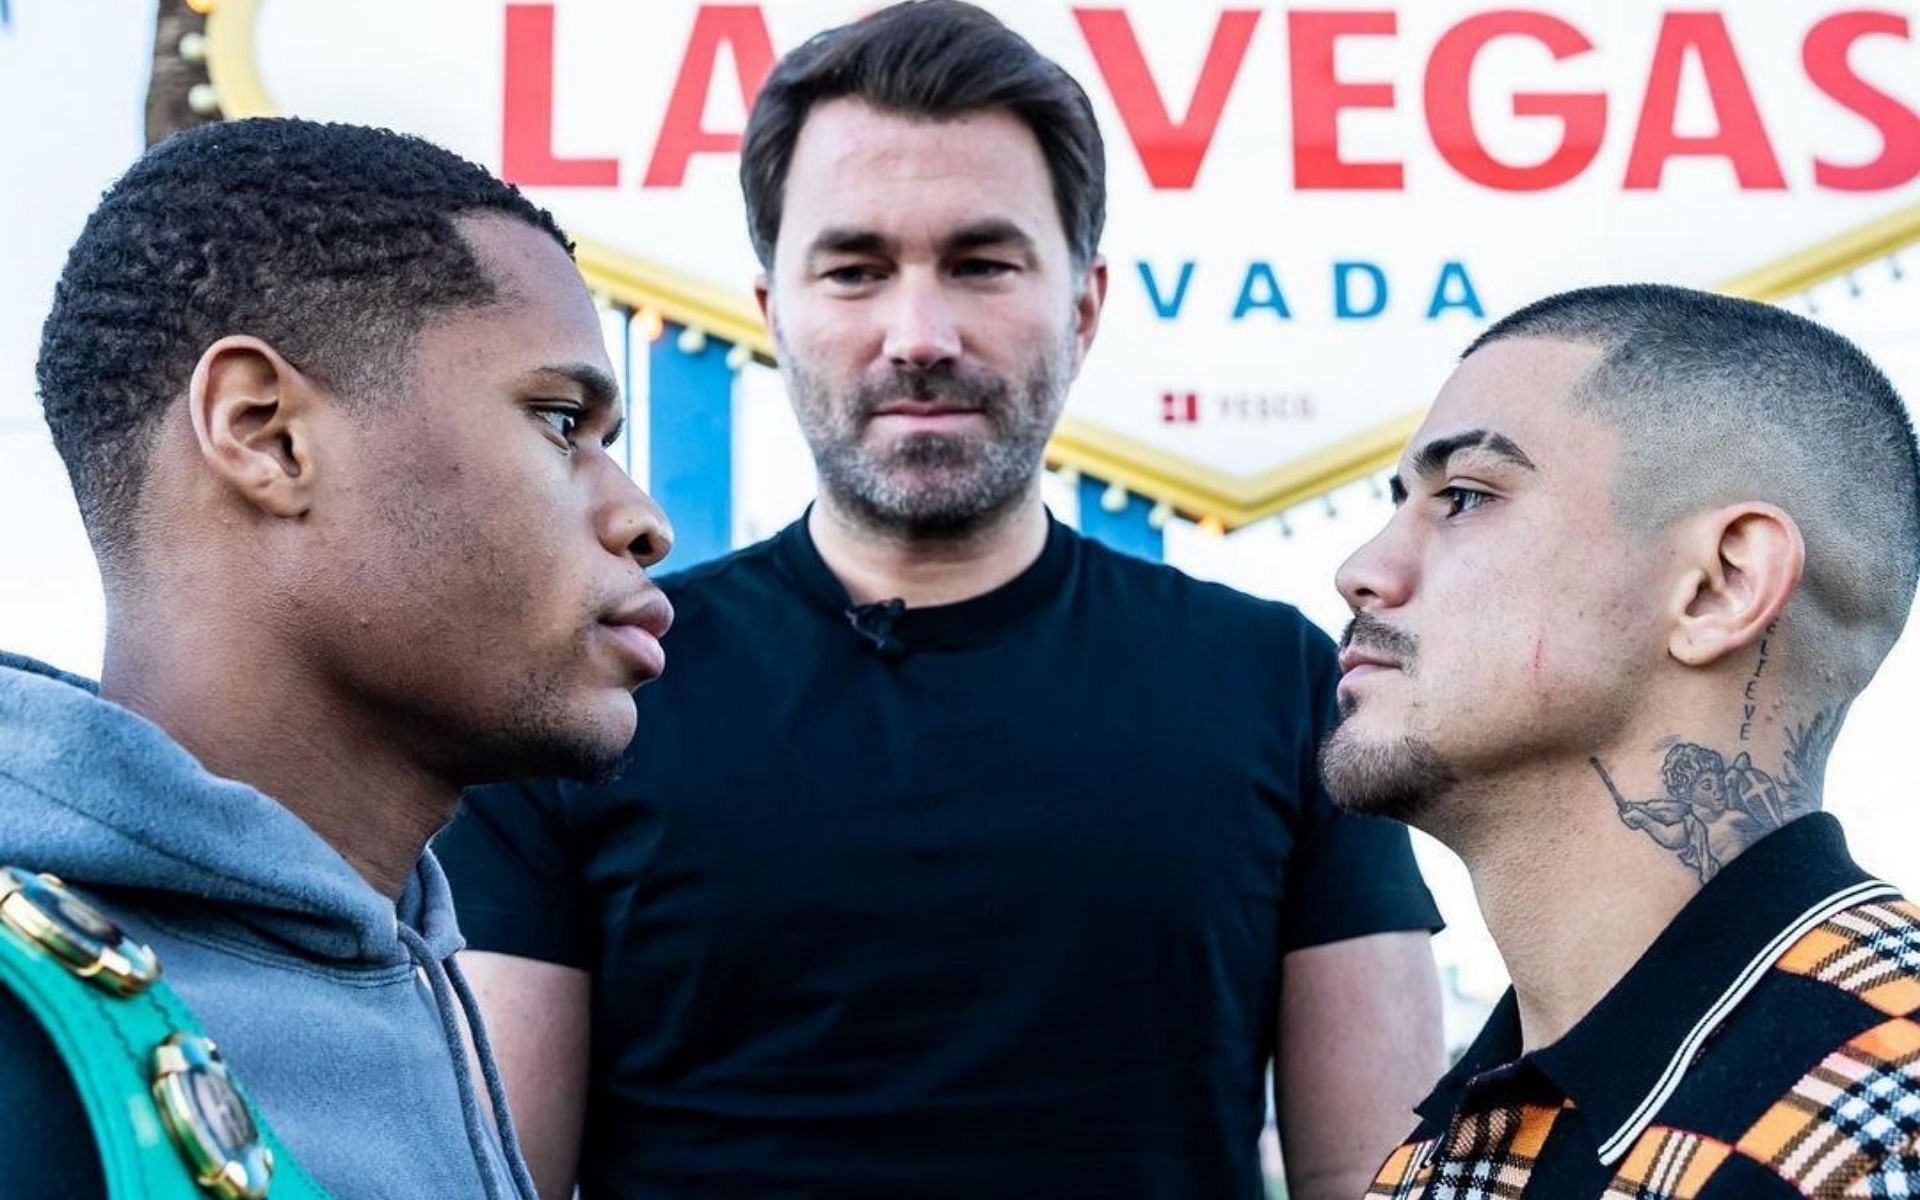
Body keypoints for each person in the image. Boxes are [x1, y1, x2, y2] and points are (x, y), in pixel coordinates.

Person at [437, 3, 1444, 1197]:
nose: (918, 334)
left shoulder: (1283, 689)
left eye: (981, 263)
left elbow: (1378, 1184)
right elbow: (491, 1185)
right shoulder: (589, 693)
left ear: (1084, 305)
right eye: (856, 270)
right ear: (773, 314)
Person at [1, 117, 673, 1198]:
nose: (645, 522)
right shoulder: (25, 1031)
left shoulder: (414, 971)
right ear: (266, 432)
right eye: (560, 422)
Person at [1324, 284, 1920, 1199]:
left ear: (1719, 586)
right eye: (1401, 501)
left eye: (1467, 496)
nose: (1360, 571)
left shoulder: (1884, 1121)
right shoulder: (1458, 1147)